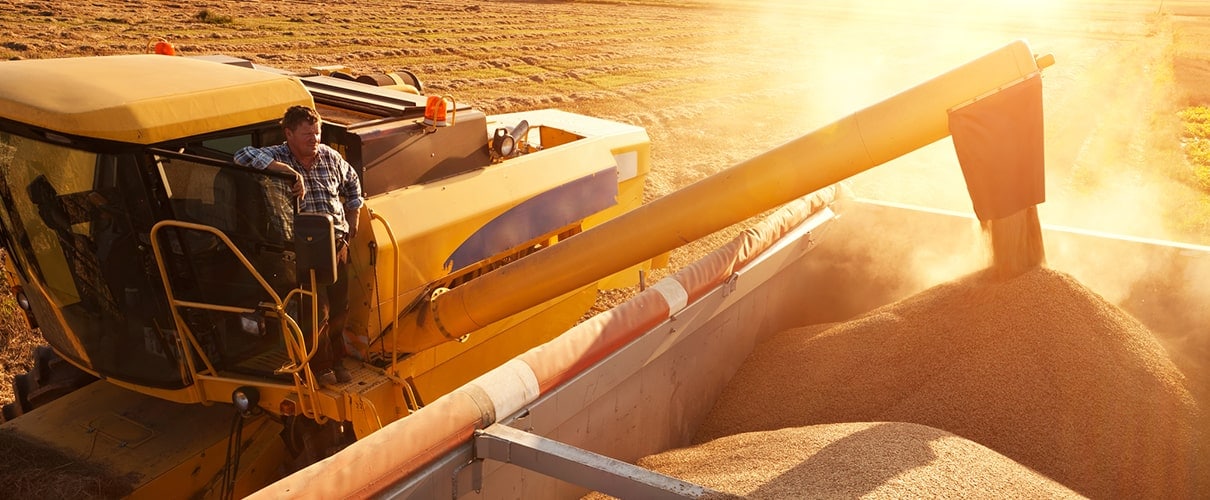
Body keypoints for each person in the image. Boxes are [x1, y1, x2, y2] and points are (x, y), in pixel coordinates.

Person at [234, 105, 364, 385]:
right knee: (316, 311)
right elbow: (241, 155)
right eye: (307, 134)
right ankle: (321, 367)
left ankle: (338, 360)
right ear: (289, 134)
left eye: (317, 133)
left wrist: (353, 215)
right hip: (302, 250)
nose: (314, 139)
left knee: (340, 308)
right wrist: (287, 172)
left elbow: (353, 182)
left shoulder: (330, 157)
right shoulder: (278, 155)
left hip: (337, 245)